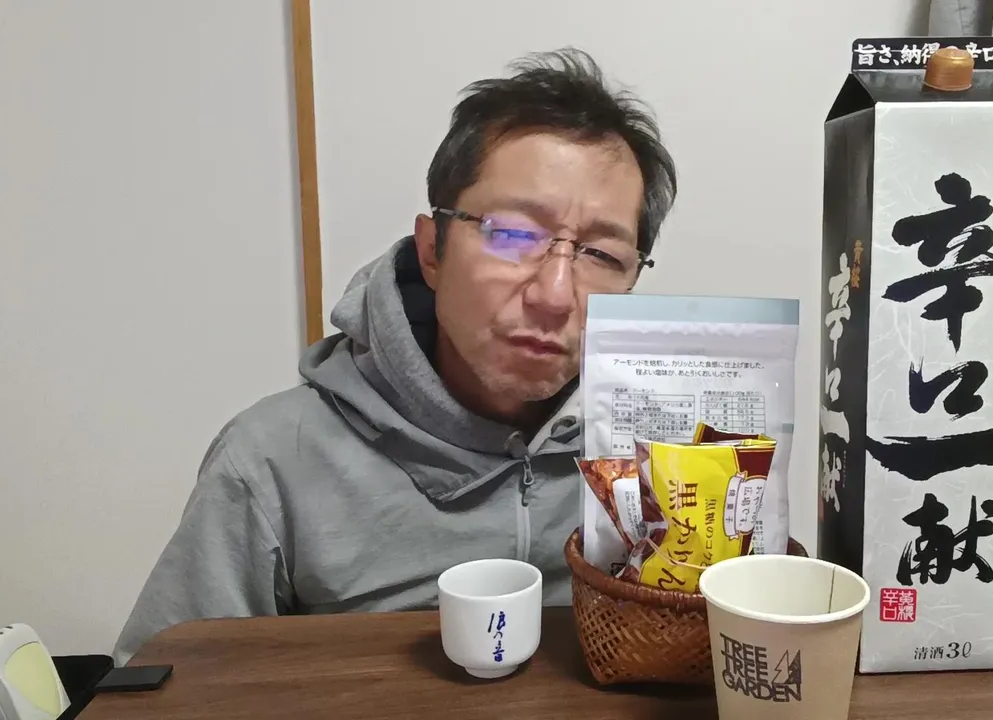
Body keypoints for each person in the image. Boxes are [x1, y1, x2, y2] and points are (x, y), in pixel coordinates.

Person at [113, 47, 677, 665]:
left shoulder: (659, 448)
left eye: (601, 255)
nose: (555, 294)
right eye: (514, 234)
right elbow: (167, 682)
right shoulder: (272, 460)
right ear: (433, 251)